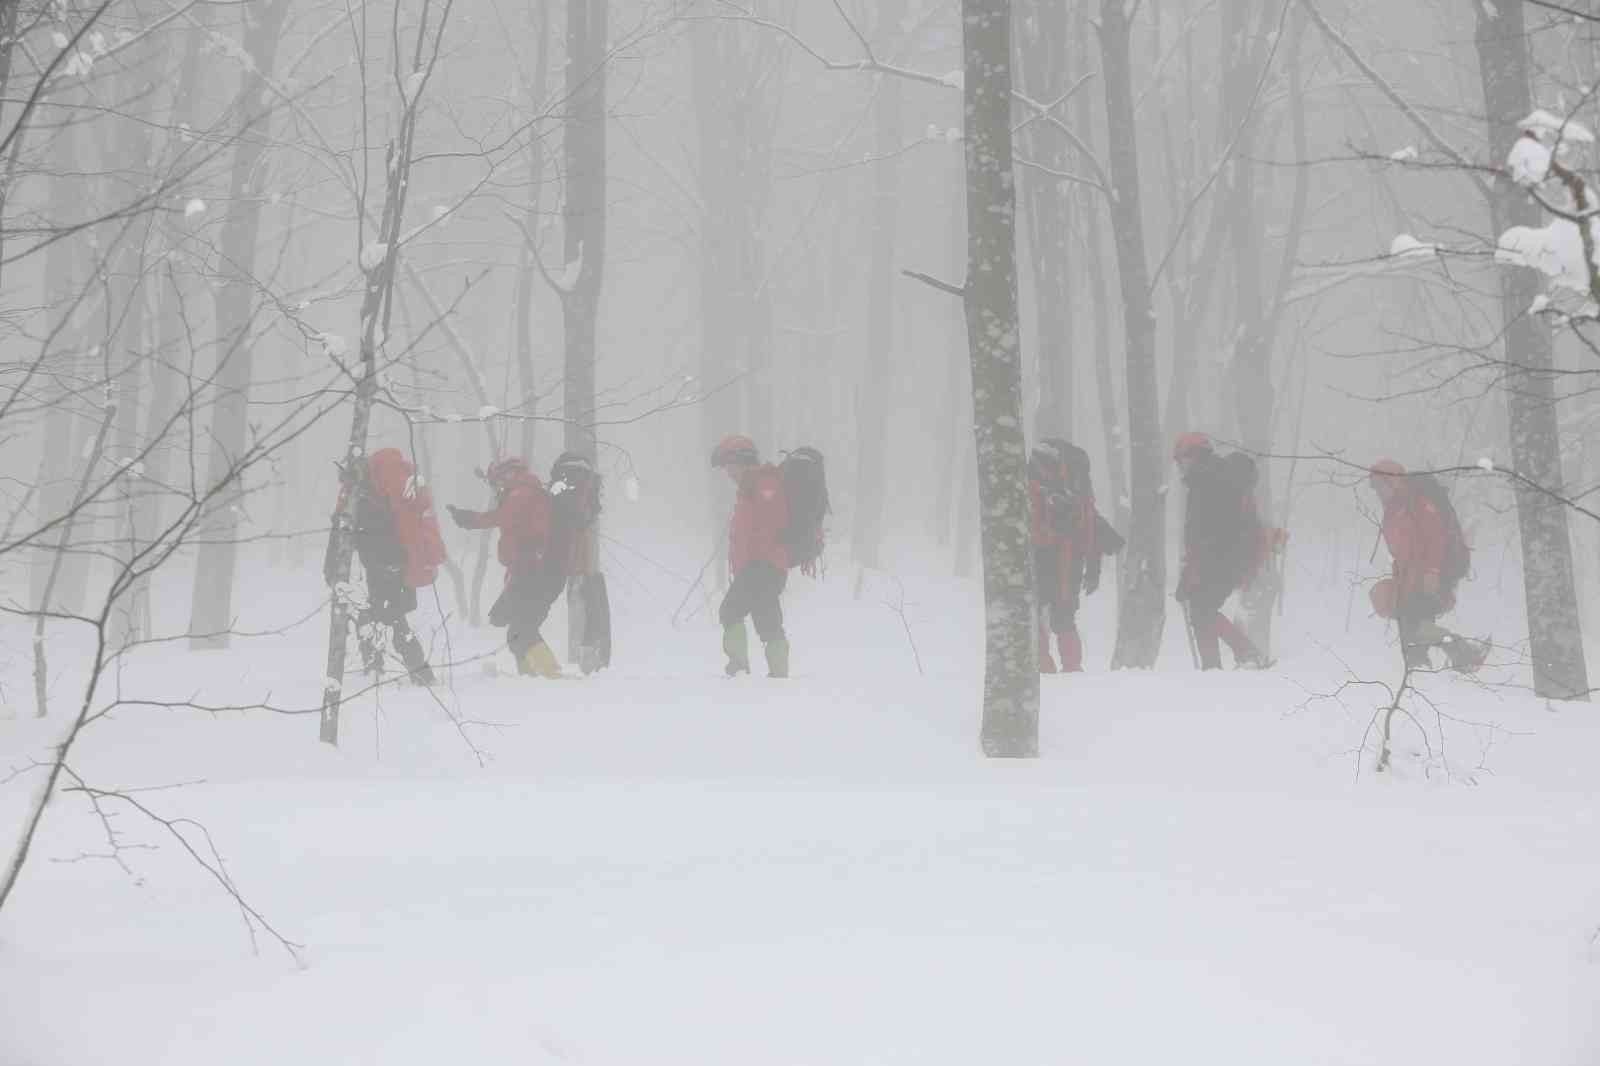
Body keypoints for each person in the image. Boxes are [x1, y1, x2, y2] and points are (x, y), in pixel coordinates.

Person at [328, 446, 444, 685]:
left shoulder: (371, 494)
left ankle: (400, 673)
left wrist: (331, 564)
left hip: (387, 567)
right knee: (386, 616)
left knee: (388, 618)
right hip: (391, 565)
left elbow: (350, 526)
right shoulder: (377, 490)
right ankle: (397, 671)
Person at [445, 456, 564, 678]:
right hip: (529, 570)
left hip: (534, 572)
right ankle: (530, 677)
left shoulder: (523, 493)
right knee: (516, 631)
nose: (495, 488)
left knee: (522, 630)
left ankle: (551, 675)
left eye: (496, 481)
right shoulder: (524, 492)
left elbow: (503, 517)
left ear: (508, 475)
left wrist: (469, 519)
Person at [1368, 459, 1487, 673]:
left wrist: (1432, 572)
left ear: (1392, 481)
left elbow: (1436, 537)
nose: (1378, 492)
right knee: (1408, 625)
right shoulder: (1393, 509)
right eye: (1375, 487)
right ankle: (1419, 671)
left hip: (1430, 573)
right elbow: (1401, 551)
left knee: (1415, 626)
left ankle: (1463, 653)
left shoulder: (1417, 502)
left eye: (1380, 485)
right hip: (1410, 575)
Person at [1173, 432, 1268, 670]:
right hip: (1226, 559)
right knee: (1200, 609)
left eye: (1182, 460)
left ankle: (1246, 654)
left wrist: (1193, 570)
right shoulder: (1209, 478)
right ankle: (1213, 668)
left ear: (1195, 457)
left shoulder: (1208, 481)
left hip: (1221, 560)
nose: (1180, 466)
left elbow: (1207, 532)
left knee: (1202, 609)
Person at [1028, 439, 1122, 673]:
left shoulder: (1042, 483)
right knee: (1063, 617)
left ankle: (1045, 669)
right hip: (1070, 561)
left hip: (1044, 556)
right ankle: (1072, 669)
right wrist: (1093, 569)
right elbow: (1089, 530)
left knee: (1036, 613)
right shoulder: (1078, 492)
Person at [710, 435, 790, 678]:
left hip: (763, 566)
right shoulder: (751, 486)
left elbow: (772, 521)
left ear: (741, 460)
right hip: (764, 566)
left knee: (730, 611)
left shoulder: (764, 483)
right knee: (767, 620)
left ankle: (739, 668)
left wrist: (757, 560)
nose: (727, 472)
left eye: (729, 465)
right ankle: (779, 675)